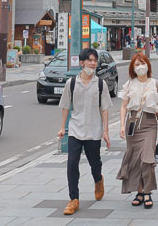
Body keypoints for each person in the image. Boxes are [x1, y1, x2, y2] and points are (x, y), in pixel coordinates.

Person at [57, 48, 111, 216]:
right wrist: (62, 127)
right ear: (82, 63)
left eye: (94, 60)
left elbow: (104, 109)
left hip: (94, 130)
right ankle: (74, 199)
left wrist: (106, 131)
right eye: (89, 60)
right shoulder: (71, 83)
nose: (93, 63)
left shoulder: (100, 84)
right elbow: (66, 105)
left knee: (95, 163)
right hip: (75, 129)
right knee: (72, 163)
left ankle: (98, 180)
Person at [117, 53, 158, 210]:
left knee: (147, 158)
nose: (140, 67)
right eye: (136, 65)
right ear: (132, 68)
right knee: (135, 160)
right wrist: (121, 126)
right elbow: (124, 106)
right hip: (132, 124)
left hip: (150, 123)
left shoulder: (156, 84)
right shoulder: (129, 85)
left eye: (142, 63)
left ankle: (147, 191)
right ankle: (140, 191)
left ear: (148, 65)